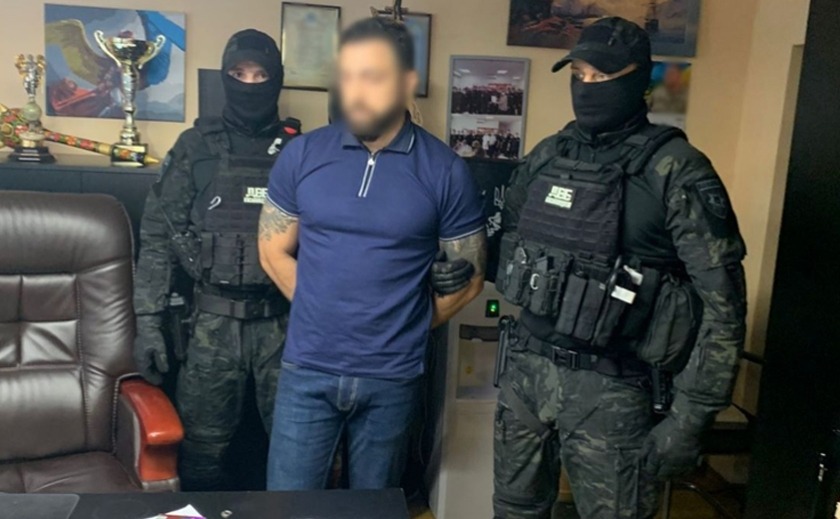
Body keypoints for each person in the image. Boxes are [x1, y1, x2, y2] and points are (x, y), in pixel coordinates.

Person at [493, 17, 747, 518]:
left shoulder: (676, 170)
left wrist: (691, 418)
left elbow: (724, 310)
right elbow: (512, 245)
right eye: (579, 75)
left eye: (603, 76)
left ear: (640, 80)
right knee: (514, 511)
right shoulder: (548, 156)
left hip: (614, 391)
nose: (587, 87)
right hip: (526, 376)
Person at [258, 17, 487, 490]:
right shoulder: (303, 155)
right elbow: (272, 249)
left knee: (373, 507)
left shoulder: (445, 171)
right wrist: (325, 311)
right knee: (287, 506)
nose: (357, 92)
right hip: (308, 368)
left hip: (392, 377)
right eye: (349, 76)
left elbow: (472, 279)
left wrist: (406, 325)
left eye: (373, 77)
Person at [132, 29, 302, 491]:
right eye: (239, 73)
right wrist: (148, 323)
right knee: (201, 455)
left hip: (284, 325)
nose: (250, 84)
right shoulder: (195, 146)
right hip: (211, 326)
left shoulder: (301, 151)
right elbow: (158, 236)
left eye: (261, 74)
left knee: (297, 449)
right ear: (225, 77)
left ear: (277, 80)